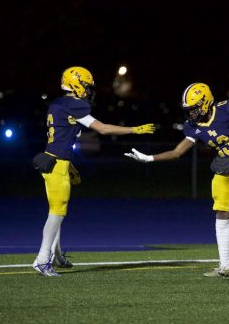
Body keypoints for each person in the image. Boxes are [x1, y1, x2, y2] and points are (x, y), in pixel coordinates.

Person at [125, 82, 229, 279]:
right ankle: (223, 265)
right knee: (220, 211)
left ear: (205, 102)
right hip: (224, 163)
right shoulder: (192, 126)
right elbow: (177, 152)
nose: (191, 113)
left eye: (193, 108)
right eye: (189, 109)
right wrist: (149, 158)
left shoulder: (226, 110)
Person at [32, 66, 156, 277]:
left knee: (57, 211)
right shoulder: (75, 105)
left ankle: (57, 255)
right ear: (76, 84)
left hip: (52, 159)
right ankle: (42, 260)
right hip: (57, 164)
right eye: (86, 86)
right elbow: (103, 128)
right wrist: (134, 129)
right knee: (57, 213)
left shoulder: (57, 103)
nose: (88, 91)